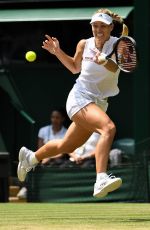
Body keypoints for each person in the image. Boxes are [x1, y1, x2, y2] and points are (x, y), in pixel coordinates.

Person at [17, 8, 128, 198]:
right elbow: (74, 67)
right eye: (95, 26)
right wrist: (57, 51)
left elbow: (115, 66)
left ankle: (31, 158)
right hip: (80, 97)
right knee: (108, 128)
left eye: (102, 26)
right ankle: (100, 178)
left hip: (99, 102)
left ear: (110, 27)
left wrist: (103, 61)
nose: (98, 29)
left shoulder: (120, 45)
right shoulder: (84, 44)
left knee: (66, 146)